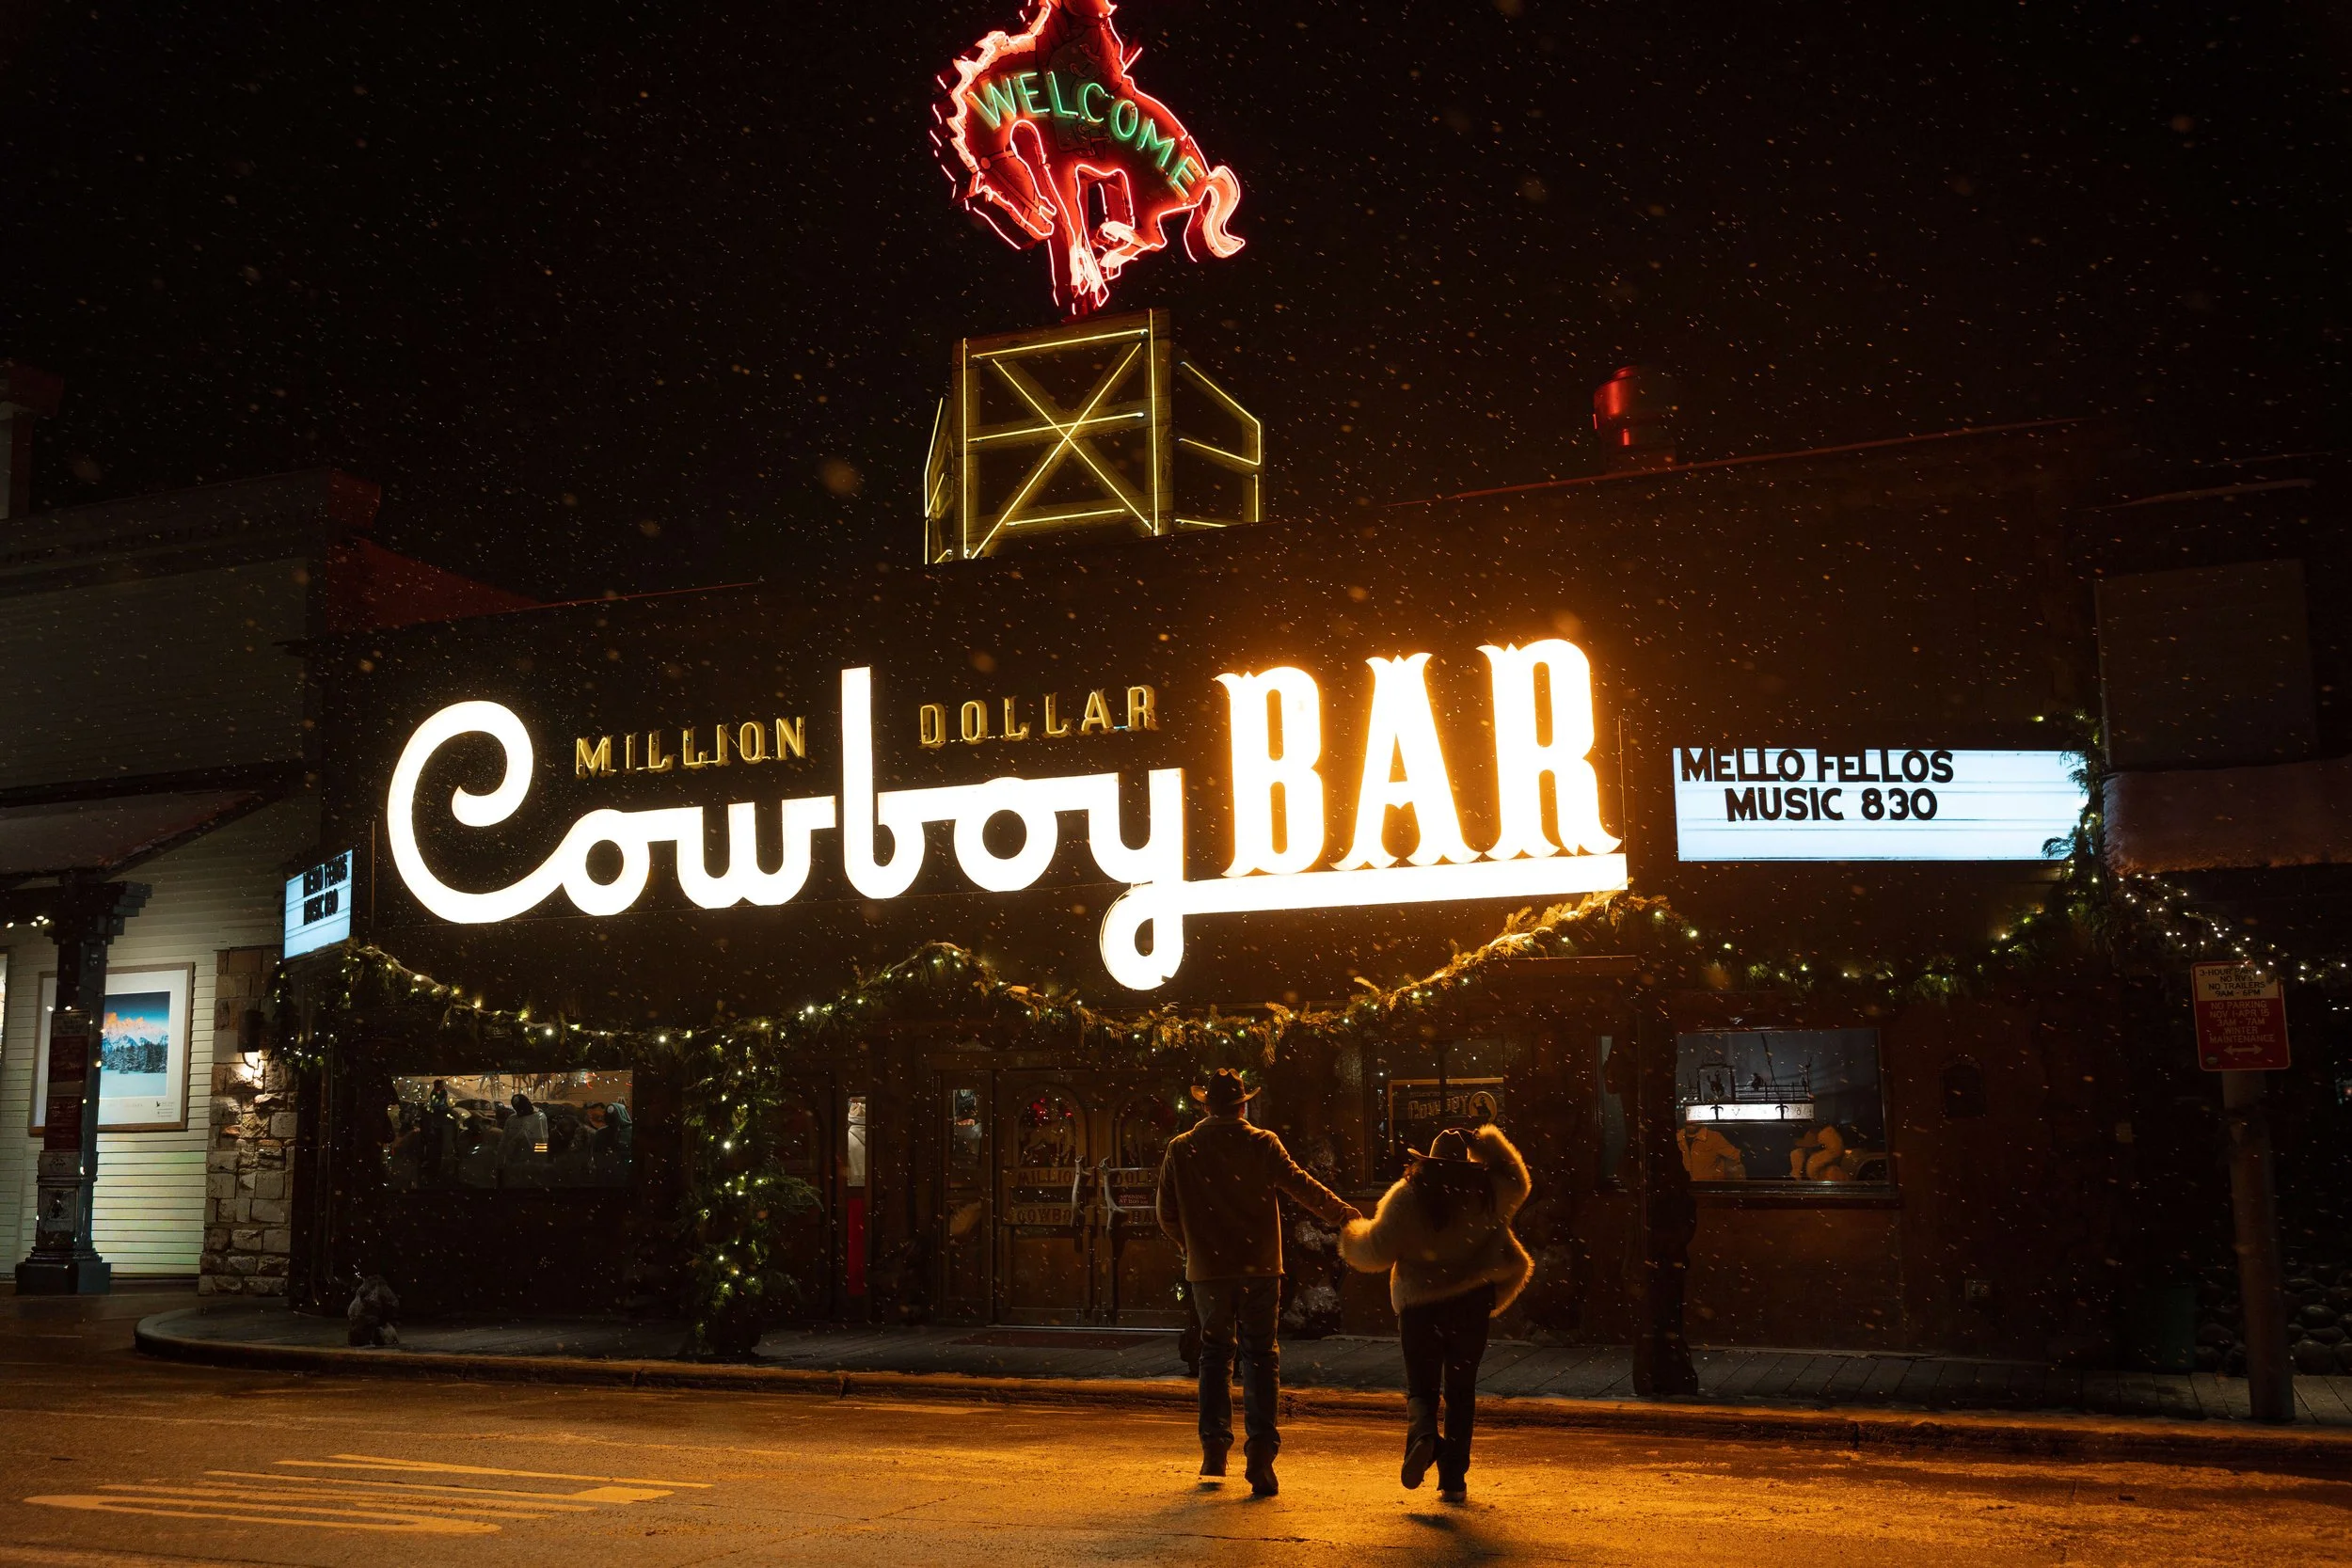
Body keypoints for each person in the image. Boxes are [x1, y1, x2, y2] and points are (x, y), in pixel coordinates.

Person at [1156, 1069, 1360, 1498]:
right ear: (1244, 1105)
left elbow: (1166, 1214)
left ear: (1205, 1105)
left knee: (1214, 1355)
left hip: (1208, 1271)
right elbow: (1302, 1187)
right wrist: (1345, 1215)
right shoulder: (1262, 1143)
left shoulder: (1182, 1148)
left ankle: (1214, 1450)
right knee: (1261, 1356)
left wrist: (1194, 1247)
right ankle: (1261, 1456)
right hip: (1261, 1268)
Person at [1340, 1123, 1532, 1505]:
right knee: (1462, 1393)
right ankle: (1454, 1481)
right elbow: (1519, 1180)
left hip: (1420, 1309)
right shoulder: (1489, 1192)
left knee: (1422, 1390)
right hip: (1470, 1306)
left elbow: (1374, 1252)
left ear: (1425, 1161)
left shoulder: (1407, 1198)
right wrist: (1486, 1141)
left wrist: (1350, 1233)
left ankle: (1425, 1436)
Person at [498, 1092, 548, 1187]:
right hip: (513, 1163)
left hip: (531, 1163)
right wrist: (501, 1162)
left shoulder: (539, 1118)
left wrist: (540, 1162)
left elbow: (542, 1141)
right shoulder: (511, 1119)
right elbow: (503, 1141)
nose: (520, 1112)